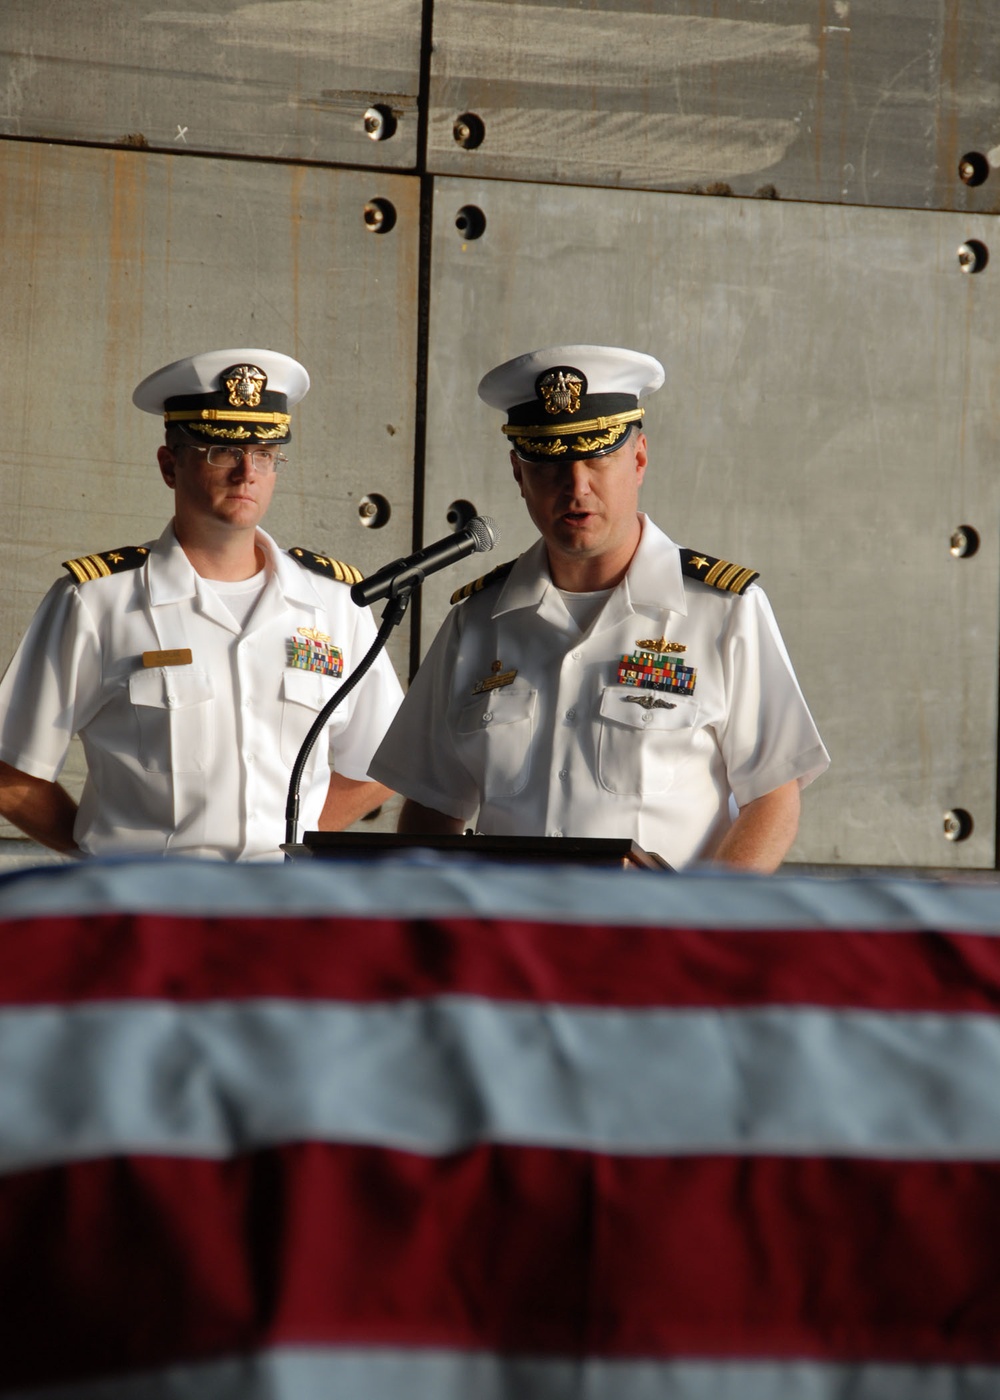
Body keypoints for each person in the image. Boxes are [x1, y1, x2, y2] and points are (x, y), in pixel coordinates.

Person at [369, 344, 828, 871]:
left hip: (655, 940)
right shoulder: (475, 624)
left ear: (638, 459)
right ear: (519, 474)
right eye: (550, 465)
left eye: (596, 456)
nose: (576, 487)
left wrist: (698, 929)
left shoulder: (723, 611)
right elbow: (431, 805)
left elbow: (772, 798)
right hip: (510, 940)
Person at [0, 348, 402, 860]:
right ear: (170, 465)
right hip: (150, 914)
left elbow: (388, 762)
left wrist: (291, 842)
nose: (246, 473)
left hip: (284, 909)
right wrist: (103, 863)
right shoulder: (97, 601)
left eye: (264, 453)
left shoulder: (334, 602)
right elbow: (11, 771)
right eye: (222, 451)